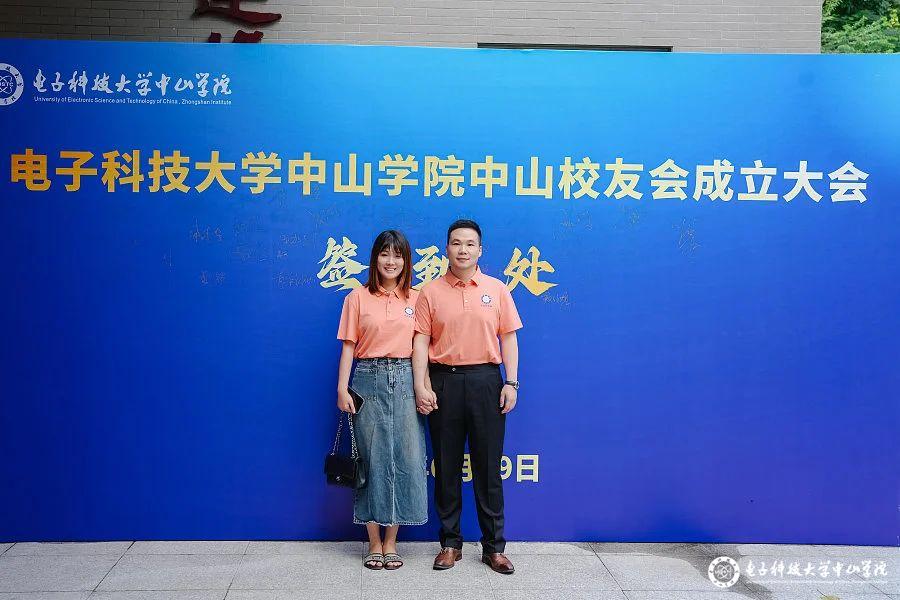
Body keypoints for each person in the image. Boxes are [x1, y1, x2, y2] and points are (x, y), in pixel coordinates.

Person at [412, 219, 522, 575]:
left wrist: (511, 382)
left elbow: (508, 337)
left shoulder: (497, 289)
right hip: (443, 381)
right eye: (457, 243)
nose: (463, 250)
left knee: (488, 468)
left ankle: (494, 548)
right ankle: (450, 544)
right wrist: (421, 385)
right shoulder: (430, 292)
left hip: (487, 381)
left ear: (480, 250)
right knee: (446, 466)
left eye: (470, 244)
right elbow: (420, 342)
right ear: (447, 248)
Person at [335, 229, 428, 571]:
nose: (391, 261)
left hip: (405, 378)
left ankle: (392, 543)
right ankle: (374, 541)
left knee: (406, 457)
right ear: (375, 258)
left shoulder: (418, 298)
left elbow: (421, 349)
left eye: (398, 255)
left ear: (406, 261)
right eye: (385, 254)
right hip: (367, 378)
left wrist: (422, 386)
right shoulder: (357, 298)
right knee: (371, 460)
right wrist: (342, 388)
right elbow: (348, 346)